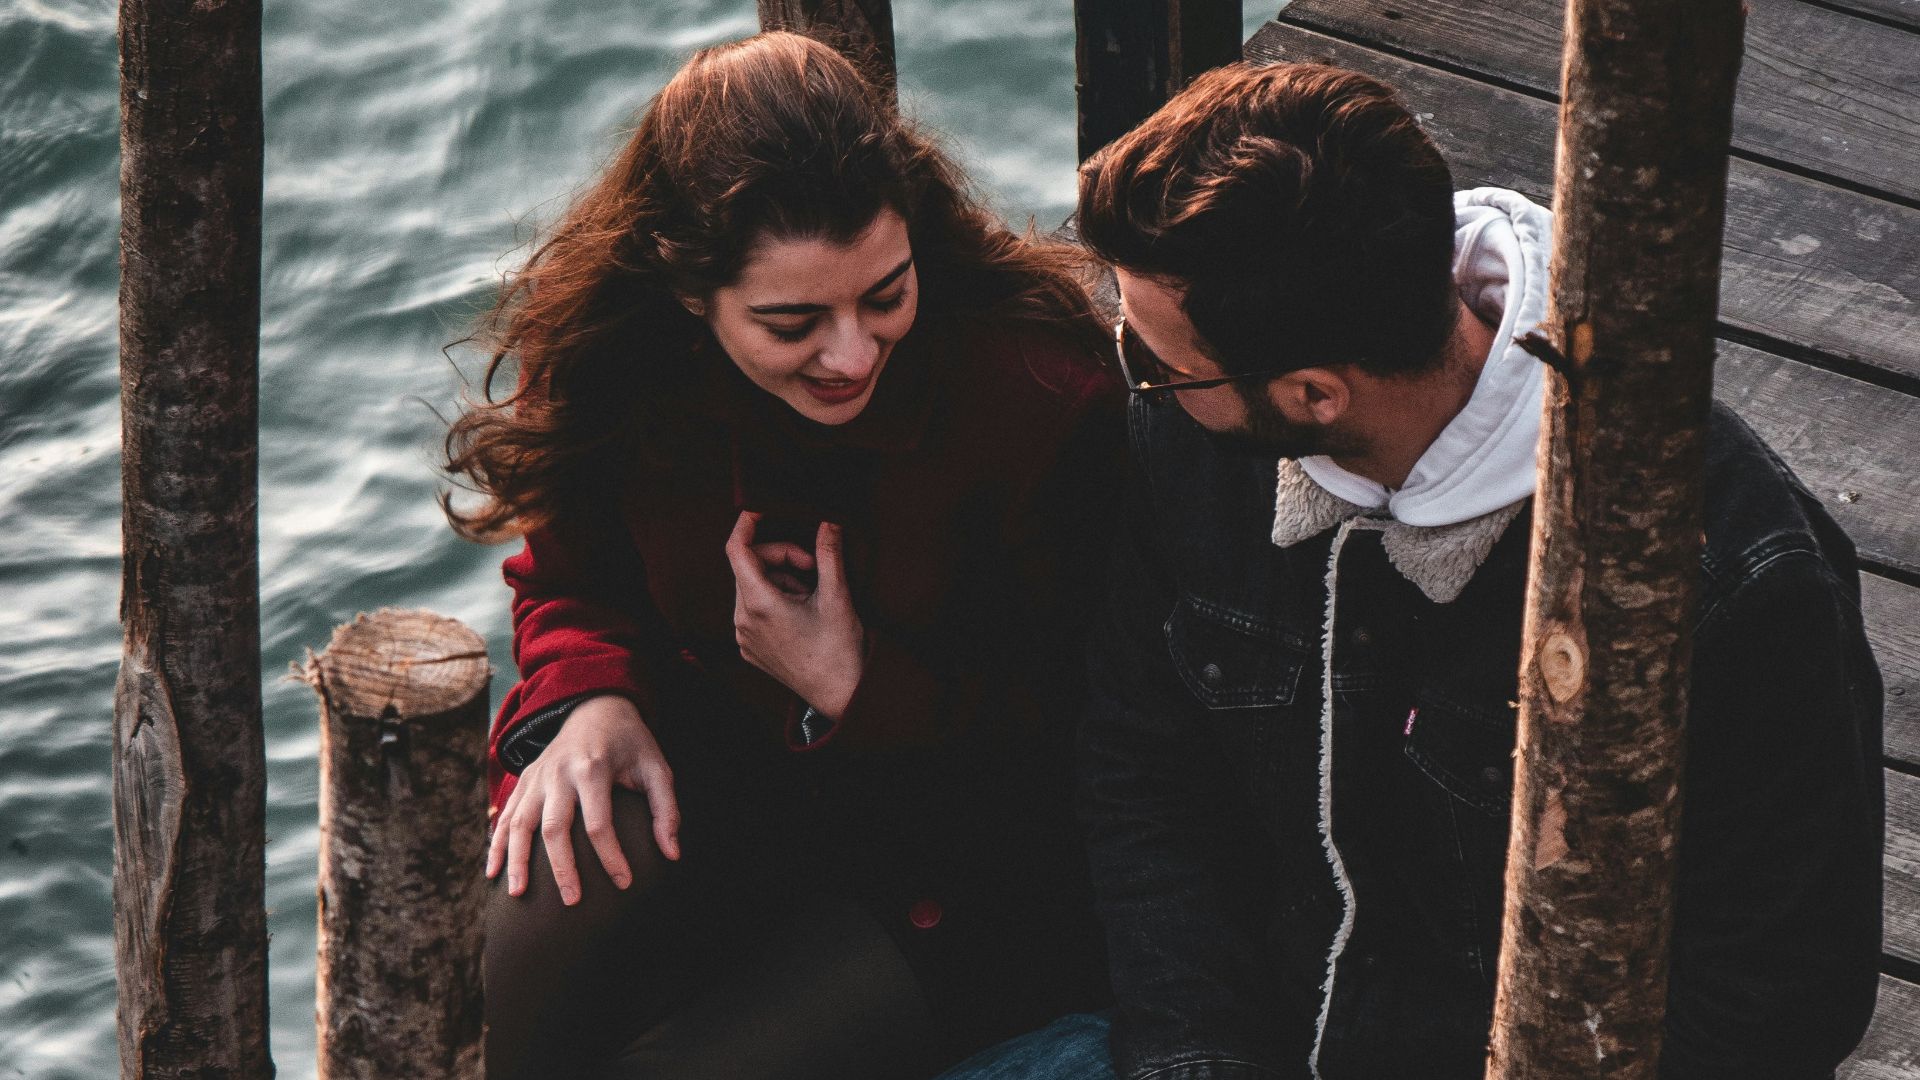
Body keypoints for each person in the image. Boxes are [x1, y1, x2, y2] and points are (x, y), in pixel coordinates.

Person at [943, 61, 1884, 1080]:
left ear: (1313, 395)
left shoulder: (1730, 582)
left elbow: (1775, 1001)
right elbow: (1145, 772)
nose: (1141, 376)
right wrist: (1195, 1058)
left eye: (1160, 361)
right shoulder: (1199, 436)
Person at [442, 31, 1122, 1080]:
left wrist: (856, 686)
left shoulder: (1035, 389)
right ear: (686, 288)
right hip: (714, 785)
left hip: (953, 863)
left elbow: (1097, 730)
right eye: (793, 321)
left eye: (886, 294)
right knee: (467, 1024)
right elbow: (570, 583)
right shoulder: (606, 361)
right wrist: (588, 699)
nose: (851, 353)